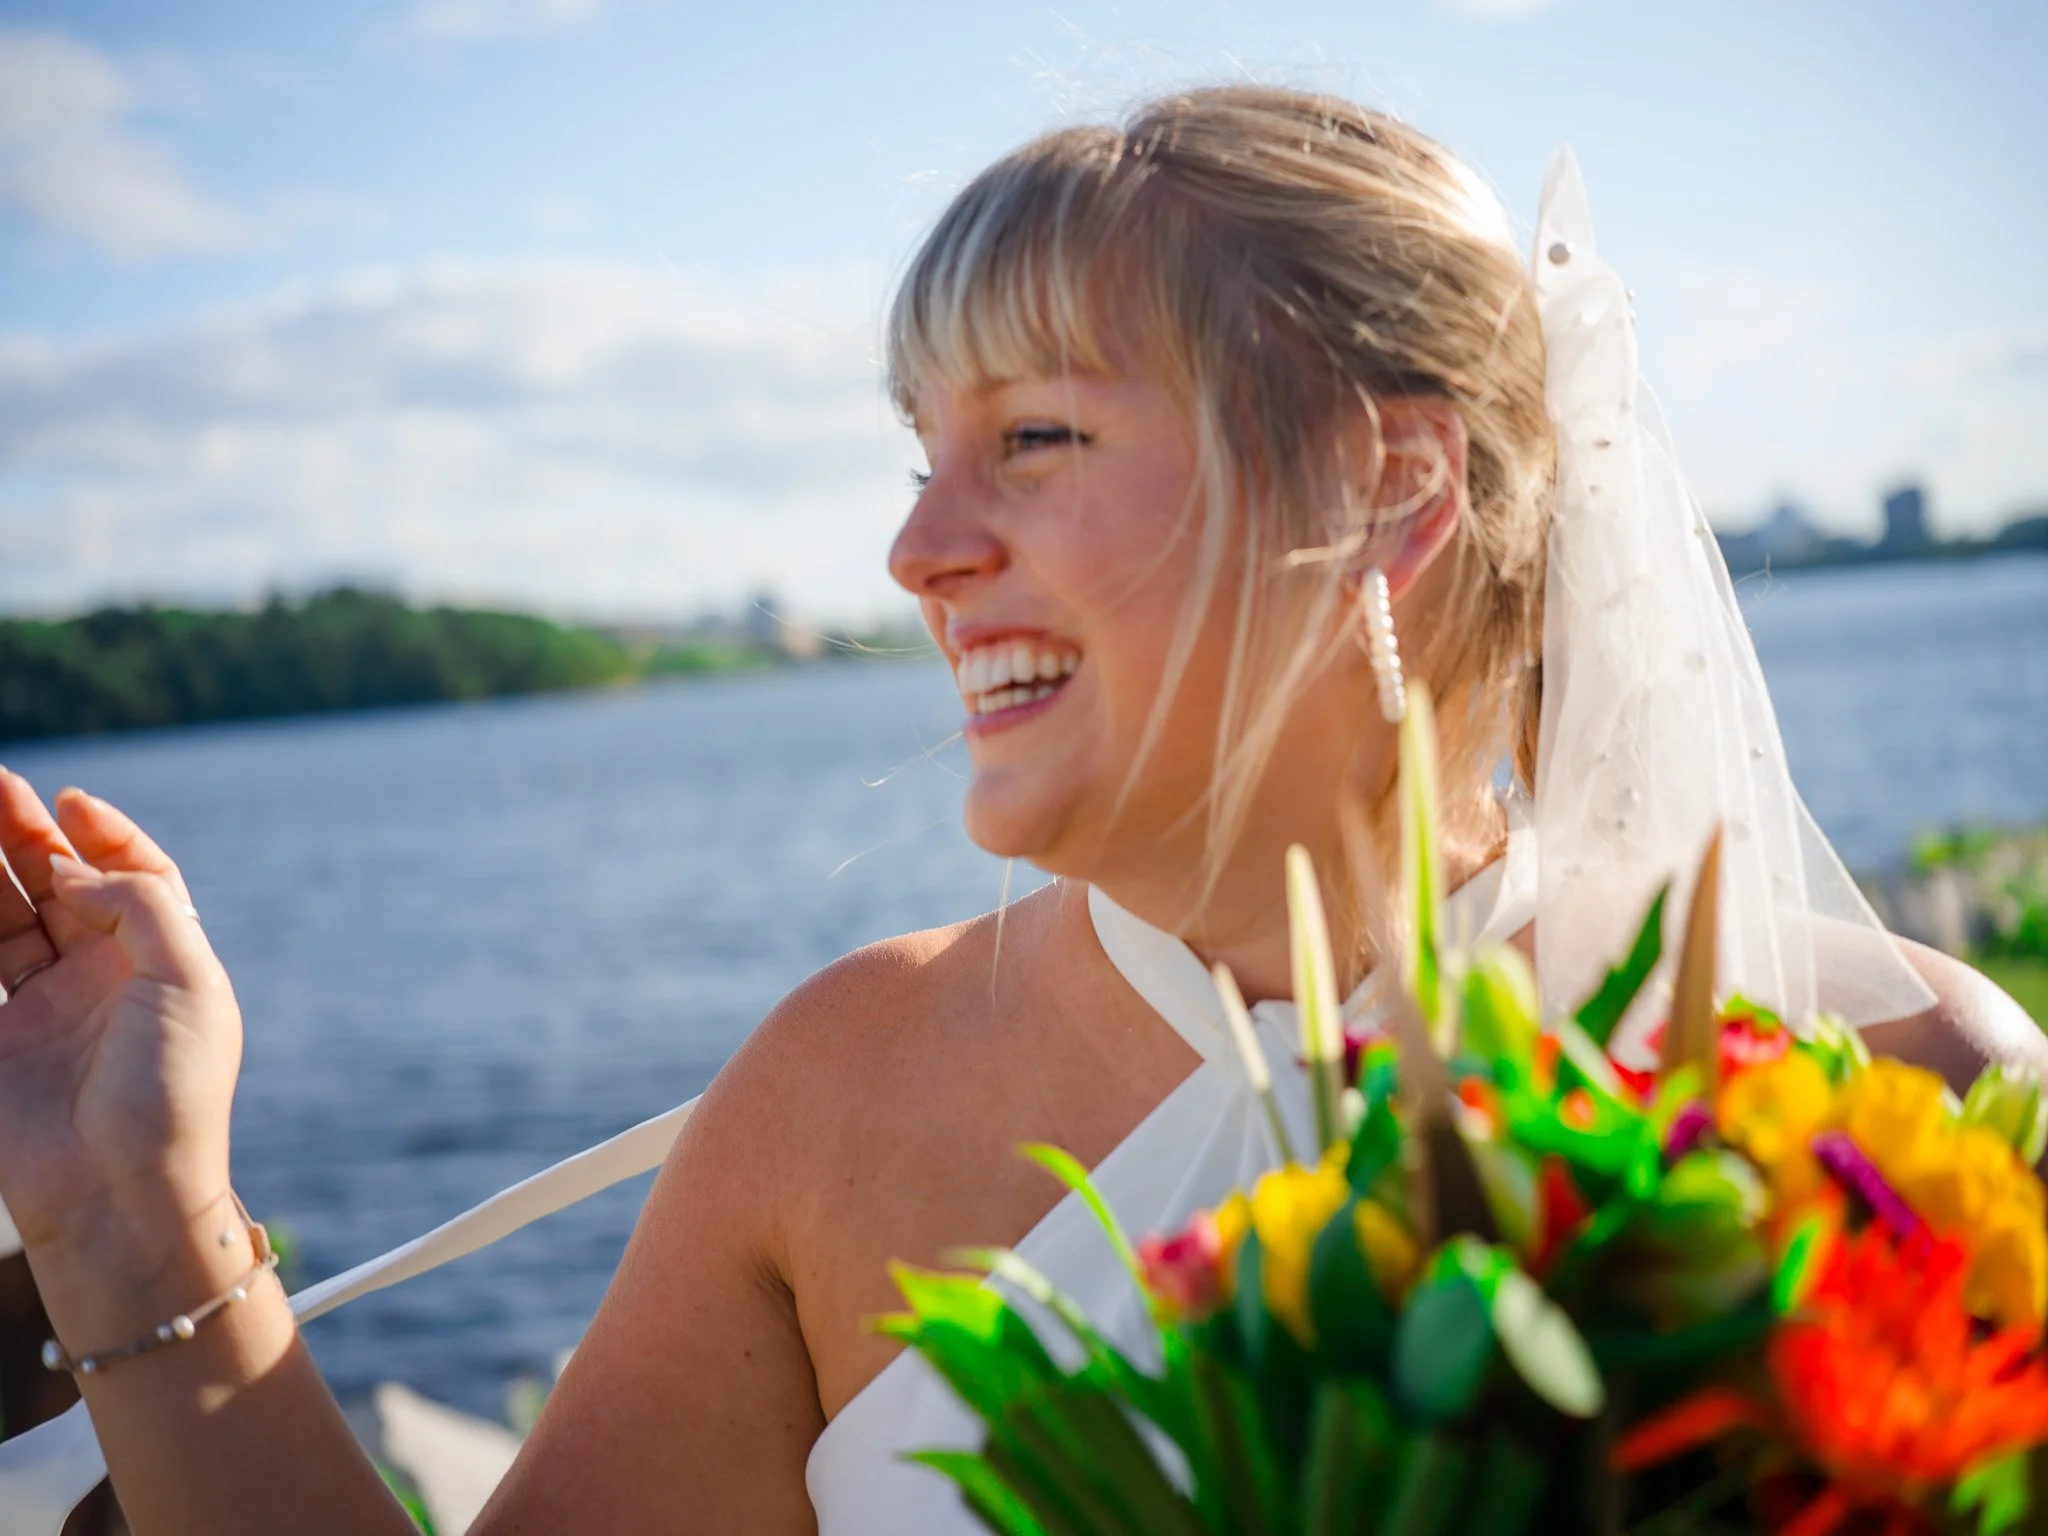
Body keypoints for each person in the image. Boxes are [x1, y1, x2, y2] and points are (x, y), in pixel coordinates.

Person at [0, 85, 2037, 1536]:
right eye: (916, 452)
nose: (914, 550)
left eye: (1033, 436)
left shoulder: (1898, 1096)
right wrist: (127, 1207)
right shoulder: (833, 1094)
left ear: (1389, 488)